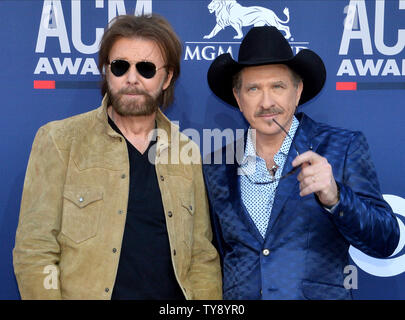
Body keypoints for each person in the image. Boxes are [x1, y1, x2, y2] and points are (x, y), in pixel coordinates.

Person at [13, 14, 222, 300]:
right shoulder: (59, 141)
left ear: (167, 77)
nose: (132, 79)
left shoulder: (186, 151)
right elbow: (34, 251)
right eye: (120, 66)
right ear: (106, 71)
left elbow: (201, 256)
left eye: (146, 69)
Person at [203, 26, 400, 300]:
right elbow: (217, 255)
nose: (266, 101)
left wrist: (336, 197)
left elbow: (386, 240)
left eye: (278, 86)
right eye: (253, 89)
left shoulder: (342, 148)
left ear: (297, 91)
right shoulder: (215, 166)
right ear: (238, 98)